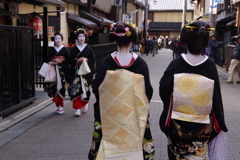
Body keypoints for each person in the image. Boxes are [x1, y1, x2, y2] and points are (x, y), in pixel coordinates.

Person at [159, 20, 228, 159]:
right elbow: (216, 96)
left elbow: (163, 89)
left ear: (185, 41)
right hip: (202, 126)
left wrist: (176, 101)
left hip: (177, 123)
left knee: (176, 154)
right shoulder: (209, 66)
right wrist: (220, 121)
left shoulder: (176, 63)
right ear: (205, 43)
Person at [88, 22, 155, 160]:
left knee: (106, 146)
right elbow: (148, 91)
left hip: (109, 115)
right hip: (135, 114)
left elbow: (96, 88)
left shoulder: (107, 62)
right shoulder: (140, 64)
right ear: (132, 40)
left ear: (115, 40)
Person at [69, 28, 95, 116]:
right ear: (77, 37)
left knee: (85, 89)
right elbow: (69, 60)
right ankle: (77, 108)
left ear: (85, 37)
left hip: (85, 72)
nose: (81, 38)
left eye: (83, 36)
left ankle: (85, 103)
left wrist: (87, 60)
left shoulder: (88, 48)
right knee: (75, 89)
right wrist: (77, 61)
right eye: (79, 36)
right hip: (76, 72)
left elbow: (93, 59)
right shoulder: (73, 49)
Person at [46, 31, 71, 115]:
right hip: (53, 70)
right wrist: (52, 62)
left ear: (61, 39)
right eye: (56, 38)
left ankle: (61, 106)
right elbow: (47, 60)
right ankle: (58, 105)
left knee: (61, 87)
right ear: (54, 39)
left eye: (59, 38)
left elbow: (68, 60)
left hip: (62, 71)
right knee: (54, 87)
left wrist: (60, 61)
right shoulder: (51, 50)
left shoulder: (64, 49)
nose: (57, 40)